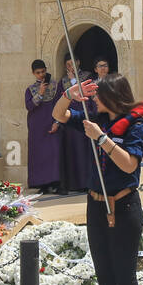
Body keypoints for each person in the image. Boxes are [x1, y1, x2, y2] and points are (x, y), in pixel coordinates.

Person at [53, 72, 143, 285]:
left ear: (113, 96)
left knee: (125, 279)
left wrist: (102, 139)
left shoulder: (135, 125)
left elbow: (129, 163)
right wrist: (70, 94)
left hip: (123, 205)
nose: (94, 99)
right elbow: (59, 114)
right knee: (105, 279)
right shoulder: (97, 119)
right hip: (95, 205)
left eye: (98, 94)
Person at [57, 57, 93, 195]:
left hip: (84, 116)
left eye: (73, 63)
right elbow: (59, 100)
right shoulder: (63, 81)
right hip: (69, 119)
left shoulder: (87, 76)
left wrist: (74, 80)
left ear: (78, 62)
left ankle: (87, 182)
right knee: (72, 153)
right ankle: (74, 184)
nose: (71, 66)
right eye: (68, 64)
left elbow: (87, 92)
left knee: (85, 152)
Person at [25, 60, 61, 195]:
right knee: (39, 155)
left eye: (43, 72)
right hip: (37, 127)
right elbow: (29, 106)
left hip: (52, 124)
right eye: (38, 73)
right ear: (33, 73)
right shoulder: (30, 89)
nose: (41, 75)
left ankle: (56, 183)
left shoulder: (56, 86)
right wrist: (40, 93)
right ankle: (42, 184)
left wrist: (57, 122)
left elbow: (60, 104)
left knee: (54, 153)